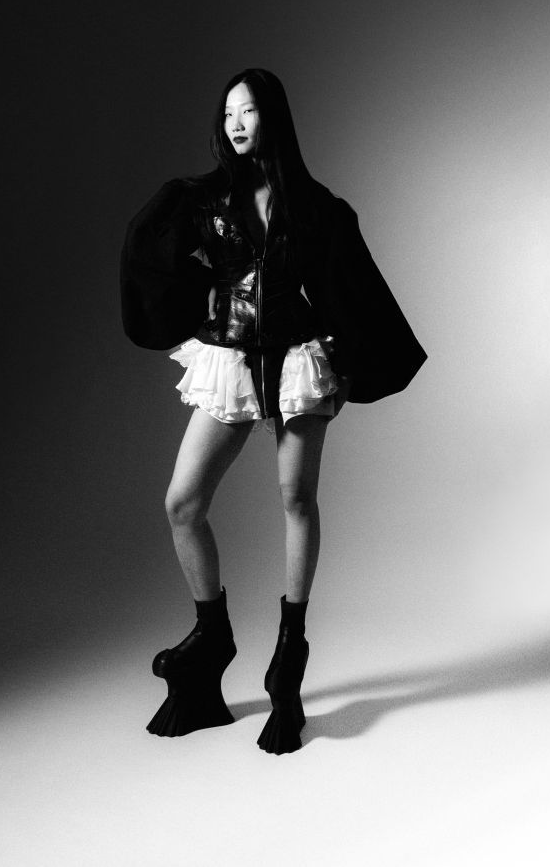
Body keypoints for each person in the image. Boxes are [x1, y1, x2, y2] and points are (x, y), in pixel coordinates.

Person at [120, 68, 426, 754]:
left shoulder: (314, 207)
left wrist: (346, 357)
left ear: (273, 118)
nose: (235, 123)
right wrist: (203, 290)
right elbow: (148, 249)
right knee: (182, 503)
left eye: (249, 111)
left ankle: (290, 653)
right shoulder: (204, 200)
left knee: (296, 497)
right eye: (228, 112)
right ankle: (213, 634)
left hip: (294, 362)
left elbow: (348, 283)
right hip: (231, 358)